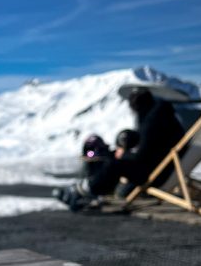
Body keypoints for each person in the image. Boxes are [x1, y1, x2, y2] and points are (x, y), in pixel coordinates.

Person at [53, 87, 186, 211]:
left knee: (114, 164)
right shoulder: (164, 117)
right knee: (114, 160)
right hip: (166, 167)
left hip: (159, 174)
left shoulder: (152, 122)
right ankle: (91, 189)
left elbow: (142, 156)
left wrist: (124, 155)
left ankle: (83, 192)